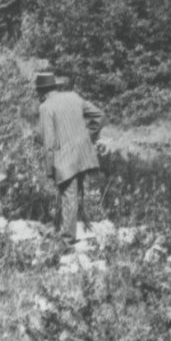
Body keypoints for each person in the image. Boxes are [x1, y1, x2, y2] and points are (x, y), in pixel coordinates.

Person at [30, 64, 105, 242]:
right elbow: (99, 116)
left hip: (65, 159)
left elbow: (49, 142)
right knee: (73, 193)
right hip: (82, 153)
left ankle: (67, 238)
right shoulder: (73, 97)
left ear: (42, 92)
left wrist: (49, 169)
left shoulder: (46, 107)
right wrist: (89, 136)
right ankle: (66, 228)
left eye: (38, 93)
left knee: (68, 194)